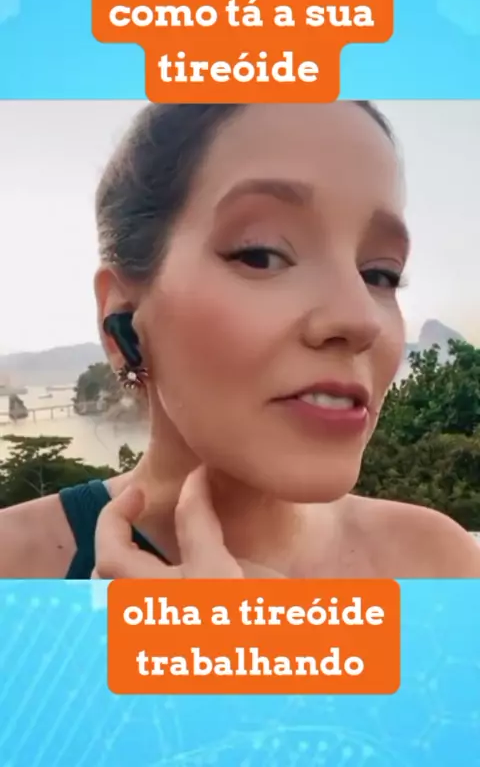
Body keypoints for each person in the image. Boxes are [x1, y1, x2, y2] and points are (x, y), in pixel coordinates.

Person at [1, 102, 479, 579]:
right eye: (261, 255)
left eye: (380, 274)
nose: (360, 319)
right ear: (121, 318)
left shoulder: (440, 563)